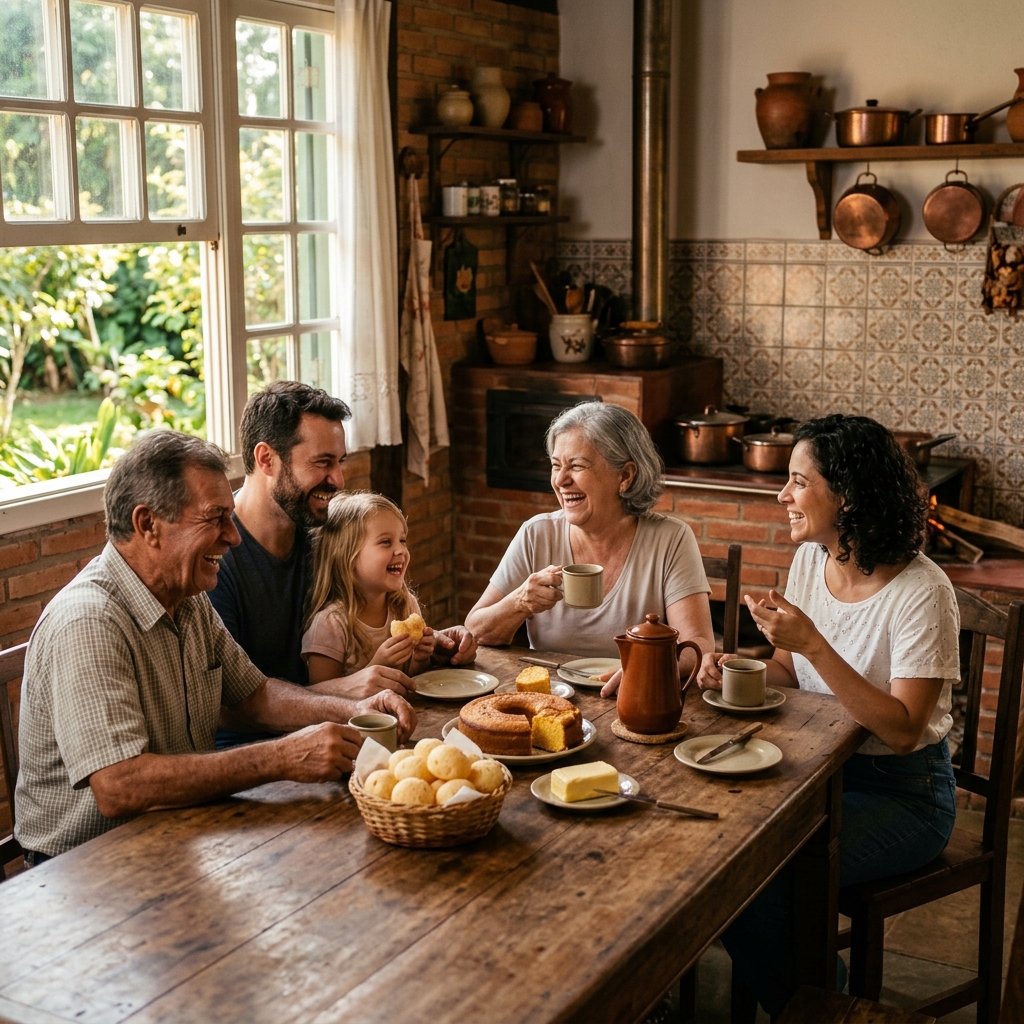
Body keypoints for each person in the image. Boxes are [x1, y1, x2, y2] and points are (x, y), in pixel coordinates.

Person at [14, 431, 416, 861]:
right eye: (215, 518)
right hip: (84, 866)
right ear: (148, 524)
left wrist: (356, 709)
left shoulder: (187, 599)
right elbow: (120, 786)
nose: (234, 536)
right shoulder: (89, 620)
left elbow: (255, 696)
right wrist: (281, 757)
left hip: (177, 830)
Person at [697, 414, 960, 1016]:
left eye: (798, 481)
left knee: (761, 888)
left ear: (847, 495)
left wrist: (814, 642)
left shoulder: (923, 590)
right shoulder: (812, 563)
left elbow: (901, 731)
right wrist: (735, 668)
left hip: (906, 794)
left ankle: (827, 1009)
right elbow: (789, 674)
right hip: (819, 776)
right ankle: (826, 1006)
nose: (783, 495)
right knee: (726, 869)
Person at [210, 382, 476, 712]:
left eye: (340, 462)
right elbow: (222, 706)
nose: (338, 480)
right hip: (257, 745)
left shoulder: (325, 534)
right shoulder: (216, 560)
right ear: (267, 459)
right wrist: (341, 690)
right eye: (322, 462)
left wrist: (433, 644)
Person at [466, 401, 715, 693]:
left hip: (636, 696)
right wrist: (520, 602)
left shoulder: (671, 539)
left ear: (625, 476)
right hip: (551, 699)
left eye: (577, 466)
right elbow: (475, 630)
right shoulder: (536, 534)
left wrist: (644, 670)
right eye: (556, 466)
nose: (560, 480)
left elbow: (697, 643)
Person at [303, 492, 439, 681]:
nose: (401, 550)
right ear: (347, 558)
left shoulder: (406, 606)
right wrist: (378, 666)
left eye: (402, 540)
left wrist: (420, 659)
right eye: (385, 542)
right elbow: (321, 698)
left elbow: (413, 681)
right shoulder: (330, 625)